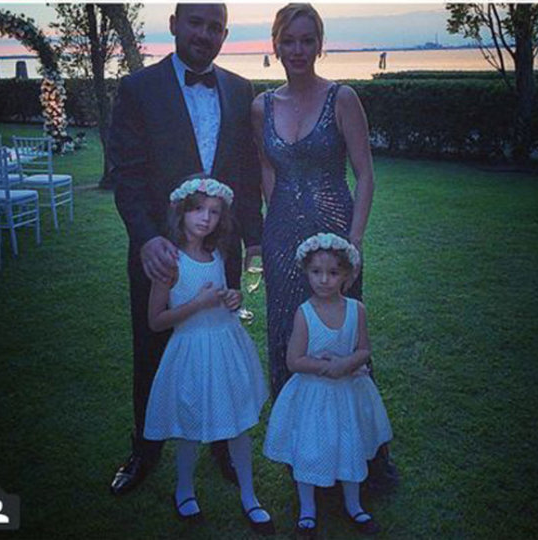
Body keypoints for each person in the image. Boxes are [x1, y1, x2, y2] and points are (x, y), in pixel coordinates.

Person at [109, 3, 263, 495]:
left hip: (221, 252)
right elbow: (127, 175)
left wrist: (254, 239)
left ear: (225, 34)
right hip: (161, 254)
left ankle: (220, 443)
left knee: (216, 345)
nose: (205, 34)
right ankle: (145, 449)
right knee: (151, 349)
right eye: (196, 22)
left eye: (215, 27)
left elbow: (246, 173)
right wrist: (147, 238)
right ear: (175, 25)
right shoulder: (138, 89)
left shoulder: (240, 90)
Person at [251, 3, 396, 492]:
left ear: (319, 44)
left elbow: (365, 174)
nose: (298, 50)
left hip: (336, 243)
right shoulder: (261, 107)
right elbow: (266, 169)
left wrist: (353, 243)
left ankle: (363, 456)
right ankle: (302, 455)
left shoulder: (343, 98)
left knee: (343, 340)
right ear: (275, 45)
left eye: (307, 40)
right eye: (288, 40)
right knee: (287, 340)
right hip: (282, 242)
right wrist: (275, 225)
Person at [143, 177, 273, 534]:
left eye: (214, 212)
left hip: (226, 348)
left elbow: (225, 295)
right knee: (189, 424)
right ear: (181, 213)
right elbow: (155, 320)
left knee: (239, 425)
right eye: (198, 210)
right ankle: (185, 490)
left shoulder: (218, 254)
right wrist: (197, 303)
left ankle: (249, 495)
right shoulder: (170, 262)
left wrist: (233, 298)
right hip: (192, 351)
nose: (206, 218)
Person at [264, 233, 392, 537]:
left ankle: (354, 504)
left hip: (347, 393)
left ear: (347, 274)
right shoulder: (305, 313)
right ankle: (307, 508)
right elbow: (294, 360)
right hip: (314, 395)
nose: (324, 280)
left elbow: (364, 349)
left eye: (333, 272)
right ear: (306, 272)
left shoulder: (356, 310)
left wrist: (345, 364)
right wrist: (325, 367)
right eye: (316, 272)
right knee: (310, 447)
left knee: (350, 444)